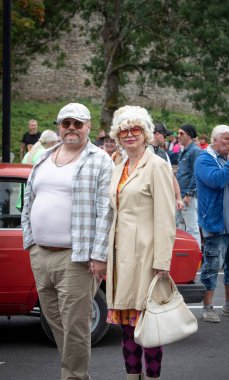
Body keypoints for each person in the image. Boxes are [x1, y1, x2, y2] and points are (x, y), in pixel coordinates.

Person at [21, 102, 113, 380]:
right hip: (41, 253)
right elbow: (29, 200)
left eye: (77, 123)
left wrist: (99, 256)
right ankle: (75, 372)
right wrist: (31, 241)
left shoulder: (99, 160)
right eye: (66, 123)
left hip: (77, 257)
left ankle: (74, 376)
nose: (71, 128)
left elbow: (105, 212)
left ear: (88, 127)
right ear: (59, 126)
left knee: (75, 325)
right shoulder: (45, 156)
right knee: (54, 321)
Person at [106, 105, 176, 380]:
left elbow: (166, 217)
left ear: (146, 133)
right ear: (118, 135)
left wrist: (162, 261)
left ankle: (153, 377)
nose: (129, 135)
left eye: (135, 129)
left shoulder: (157, 165)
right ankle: (131, 376)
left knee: (148, 324)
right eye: (124, 130)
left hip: (146, 258)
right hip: (120, 258)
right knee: (126, 325)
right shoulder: (119, 165)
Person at [194, 124, 229, 323]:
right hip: (217, 224)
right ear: (214, 141)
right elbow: (217, 181)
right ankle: (208, 307)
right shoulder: (204, 159)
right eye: (226, 139)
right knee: (211, 267)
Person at [176, 124, 201, 248]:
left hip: (187, 195)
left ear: (189, 135)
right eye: (178, 133)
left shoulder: (195, 151)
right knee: (173, 225)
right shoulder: (185, 150)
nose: (178, 136)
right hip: (180, 195)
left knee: (192, 227)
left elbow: (197, 174)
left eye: (181, 133)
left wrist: (189, 194)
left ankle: (196, 261)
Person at [150, 122, 184, 210]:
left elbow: (171, 176)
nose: (166, 138)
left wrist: (179, 197)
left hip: (161, 196)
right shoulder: (141, 151)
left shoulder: (164, 154)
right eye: (164, 135)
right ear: (157, 134)